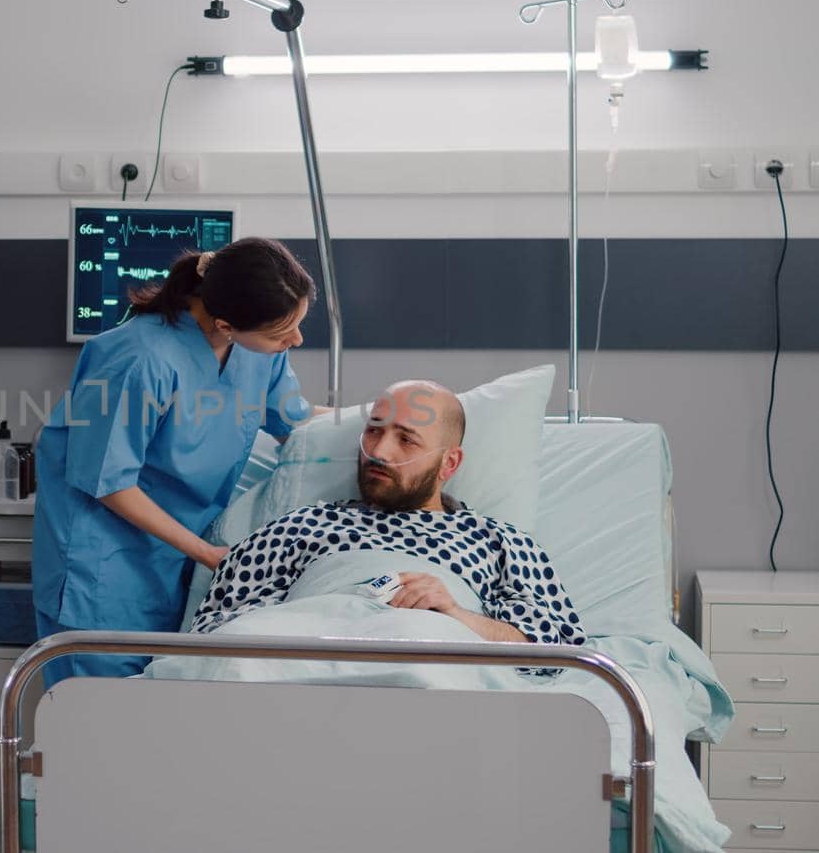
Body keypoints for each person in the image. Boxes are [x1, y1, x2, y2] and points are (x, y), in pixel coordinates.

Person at [32, 237, 324, 687]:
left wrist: (380, 418)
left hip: (177, 564)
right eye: (281, 332)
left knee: (157, 726)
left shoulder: (258, 352)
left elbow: (293, 420)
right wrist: (207, 553)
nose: (296, 339)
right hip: (104, 571)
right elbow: (109, 481)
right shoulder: (136, 358)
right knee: (94, 725)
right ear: (226, 324)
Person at [191, 380, 585, 648]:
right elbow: (217, 632)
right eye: (374, 431)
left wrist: (454, 615)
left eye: (406, 439)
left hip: (428, 648)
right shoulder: (299, 525)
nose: (379, 452)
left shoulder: (498, 541)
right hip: (304, 658)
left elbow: (553, 648)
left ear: (449, 464)